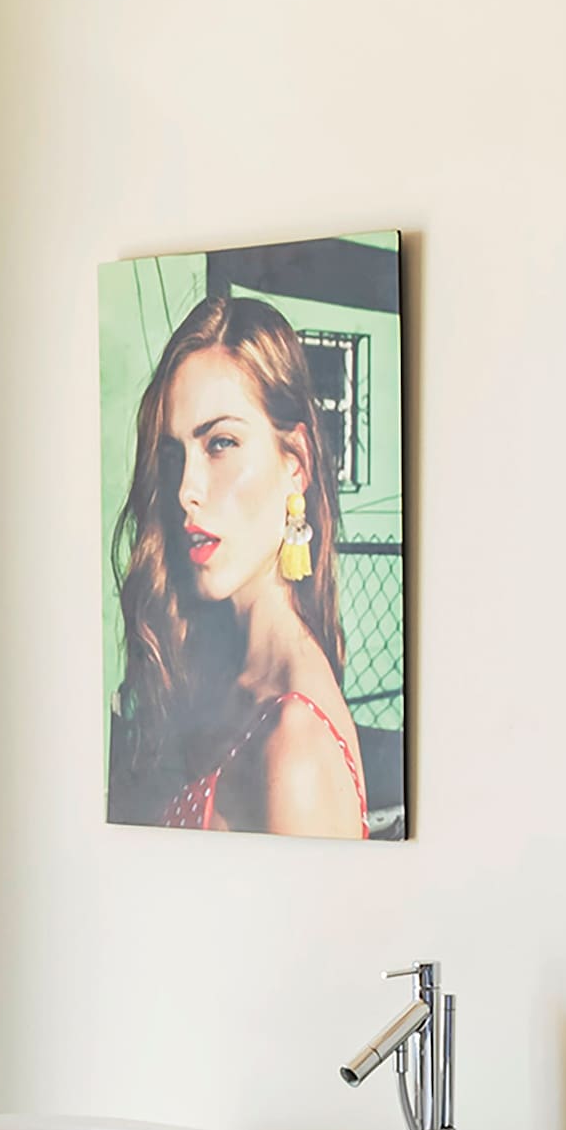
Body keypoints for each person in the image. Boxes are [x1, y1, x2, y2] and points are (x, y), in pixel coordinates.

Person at [109, 294, 366, 838]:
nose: (186, 490)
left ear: (295, 463)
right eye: (174, 454)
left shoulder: (295, 747)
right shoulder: (225, 674)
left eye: (221, 443)